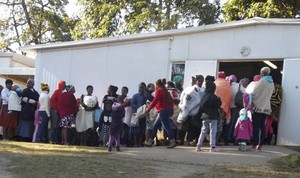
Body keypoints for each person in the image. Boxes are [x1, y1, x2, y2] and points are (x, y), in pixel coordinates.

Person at [144, 78, 176, 148]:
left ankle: (173, 141)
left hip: (162, 110)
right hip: (166, 110)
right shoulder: (166, 91)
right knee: (155, 126)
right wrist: (171, 110)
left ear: (157, 85)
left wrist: (148, 109)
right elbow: (171, 102)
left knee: (166, 126)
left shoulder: (159, 90)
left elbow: (155, 101)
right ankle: (150, 141)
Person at [252, 67, 274, 151]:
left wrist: (250, 97)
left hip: (258, 106)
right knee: (262, 126)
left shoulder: (262, 81)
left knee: (256, 126)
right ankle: (260, 145)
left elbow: (255, 92)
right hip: (266, 107)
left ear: (262, 73)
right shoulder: (271, 82)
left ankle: (254, 144)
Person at [196, 81, 221, 152]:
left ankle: (199, 145)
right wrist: (219, 100)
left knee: (203, 131)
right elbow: (217, 106)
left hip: (205, 116)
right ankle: (212, 146)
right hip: (213, 116)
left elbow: (202, 106)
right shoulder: (214, 97)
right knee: (213, 131)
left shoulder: (204, 96)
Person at [214, 71, 232, 145]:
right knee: (220, 125)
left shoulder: (214, 83)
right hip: (223, 108)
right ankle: (216, 141)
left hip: (214, 108)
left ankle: (211, 141)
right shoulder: (227, 84)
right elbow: (229, 97)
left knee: (212, 125)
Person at [227, 75, 246, 143]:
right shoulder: (239, 86)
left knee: (227, 123)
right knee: (234, 123)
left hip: (227, 107)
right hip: (236, 107)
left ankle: (226, 137)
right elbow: (246, 94)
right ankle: (232, 137)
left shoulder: (227, 85)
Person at [131, 82, 147, 147]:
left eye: (143, 87)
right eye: (140, 87)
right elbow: (132, 104)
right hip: (136, 115)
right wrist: (139, 108)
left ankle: (140, 143)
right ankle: (135, 143)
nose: (141, 89)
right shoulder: (135, 96)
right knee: (136, 130)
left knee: (142, 130)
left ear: (145, 88)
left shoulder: (146, 96)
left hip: (144, 115)